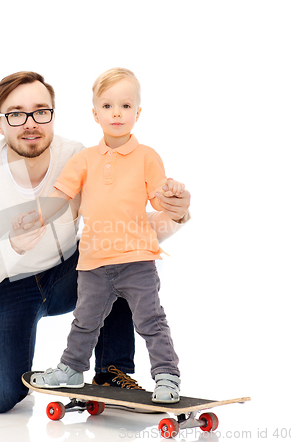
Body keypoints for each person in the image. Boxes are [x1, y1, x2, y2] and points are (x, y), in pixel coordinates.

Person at [0, 71, 191, 413]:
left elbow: (127, 220)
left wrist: (178, 215)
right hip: (7, 286)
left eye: (41, 111)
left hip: (68, 271)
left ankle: (112, 372)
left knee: (120, 257)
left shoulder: (76, 155)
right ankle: (66, 368)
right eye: (16, 114)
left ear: (52, 114)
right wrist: (15, 245)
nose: (30, 123)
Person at [27, 68, 184, 403]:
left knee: (151, 320)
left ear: (137, 113)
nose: (117, 113)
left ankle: (167, 376)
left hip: (137, 261)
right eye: (108, 106)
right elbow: (62, 194)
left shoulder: (147, 157)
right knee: (84, 322)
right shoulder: (85, 160)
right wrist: (36, 217)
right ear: (95, 113)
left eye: (126, 106)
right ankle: (71, 369)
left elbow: (158, 200)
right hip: (93, 263)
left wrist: (171, 194)